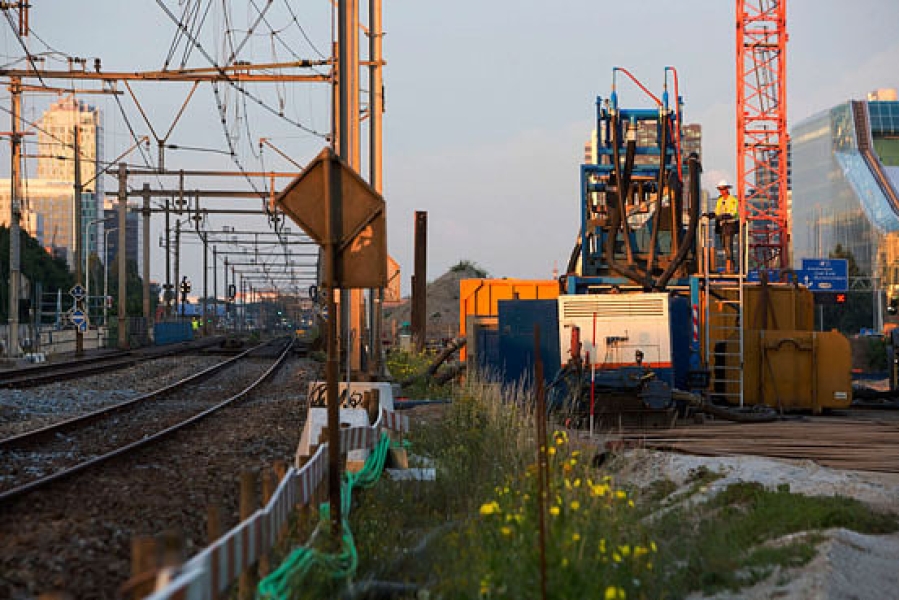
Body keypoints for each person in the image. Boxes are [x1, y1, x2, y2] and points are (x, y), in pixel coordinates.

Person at [713, 179, 739, 273]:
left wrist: (724, 215)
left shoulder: (733, 200)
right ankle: (728, 267)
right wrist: (711, 215)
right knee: (724, 246)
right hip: (722, 226)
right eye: (720, 189)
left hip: (730, 225)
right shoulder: (720, 200)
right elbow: (717, 212)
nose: (722, 191)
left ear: (727, 189)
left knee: (728, 246)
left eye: (723, 189)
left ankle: (730, 268)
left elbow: (733, 213)